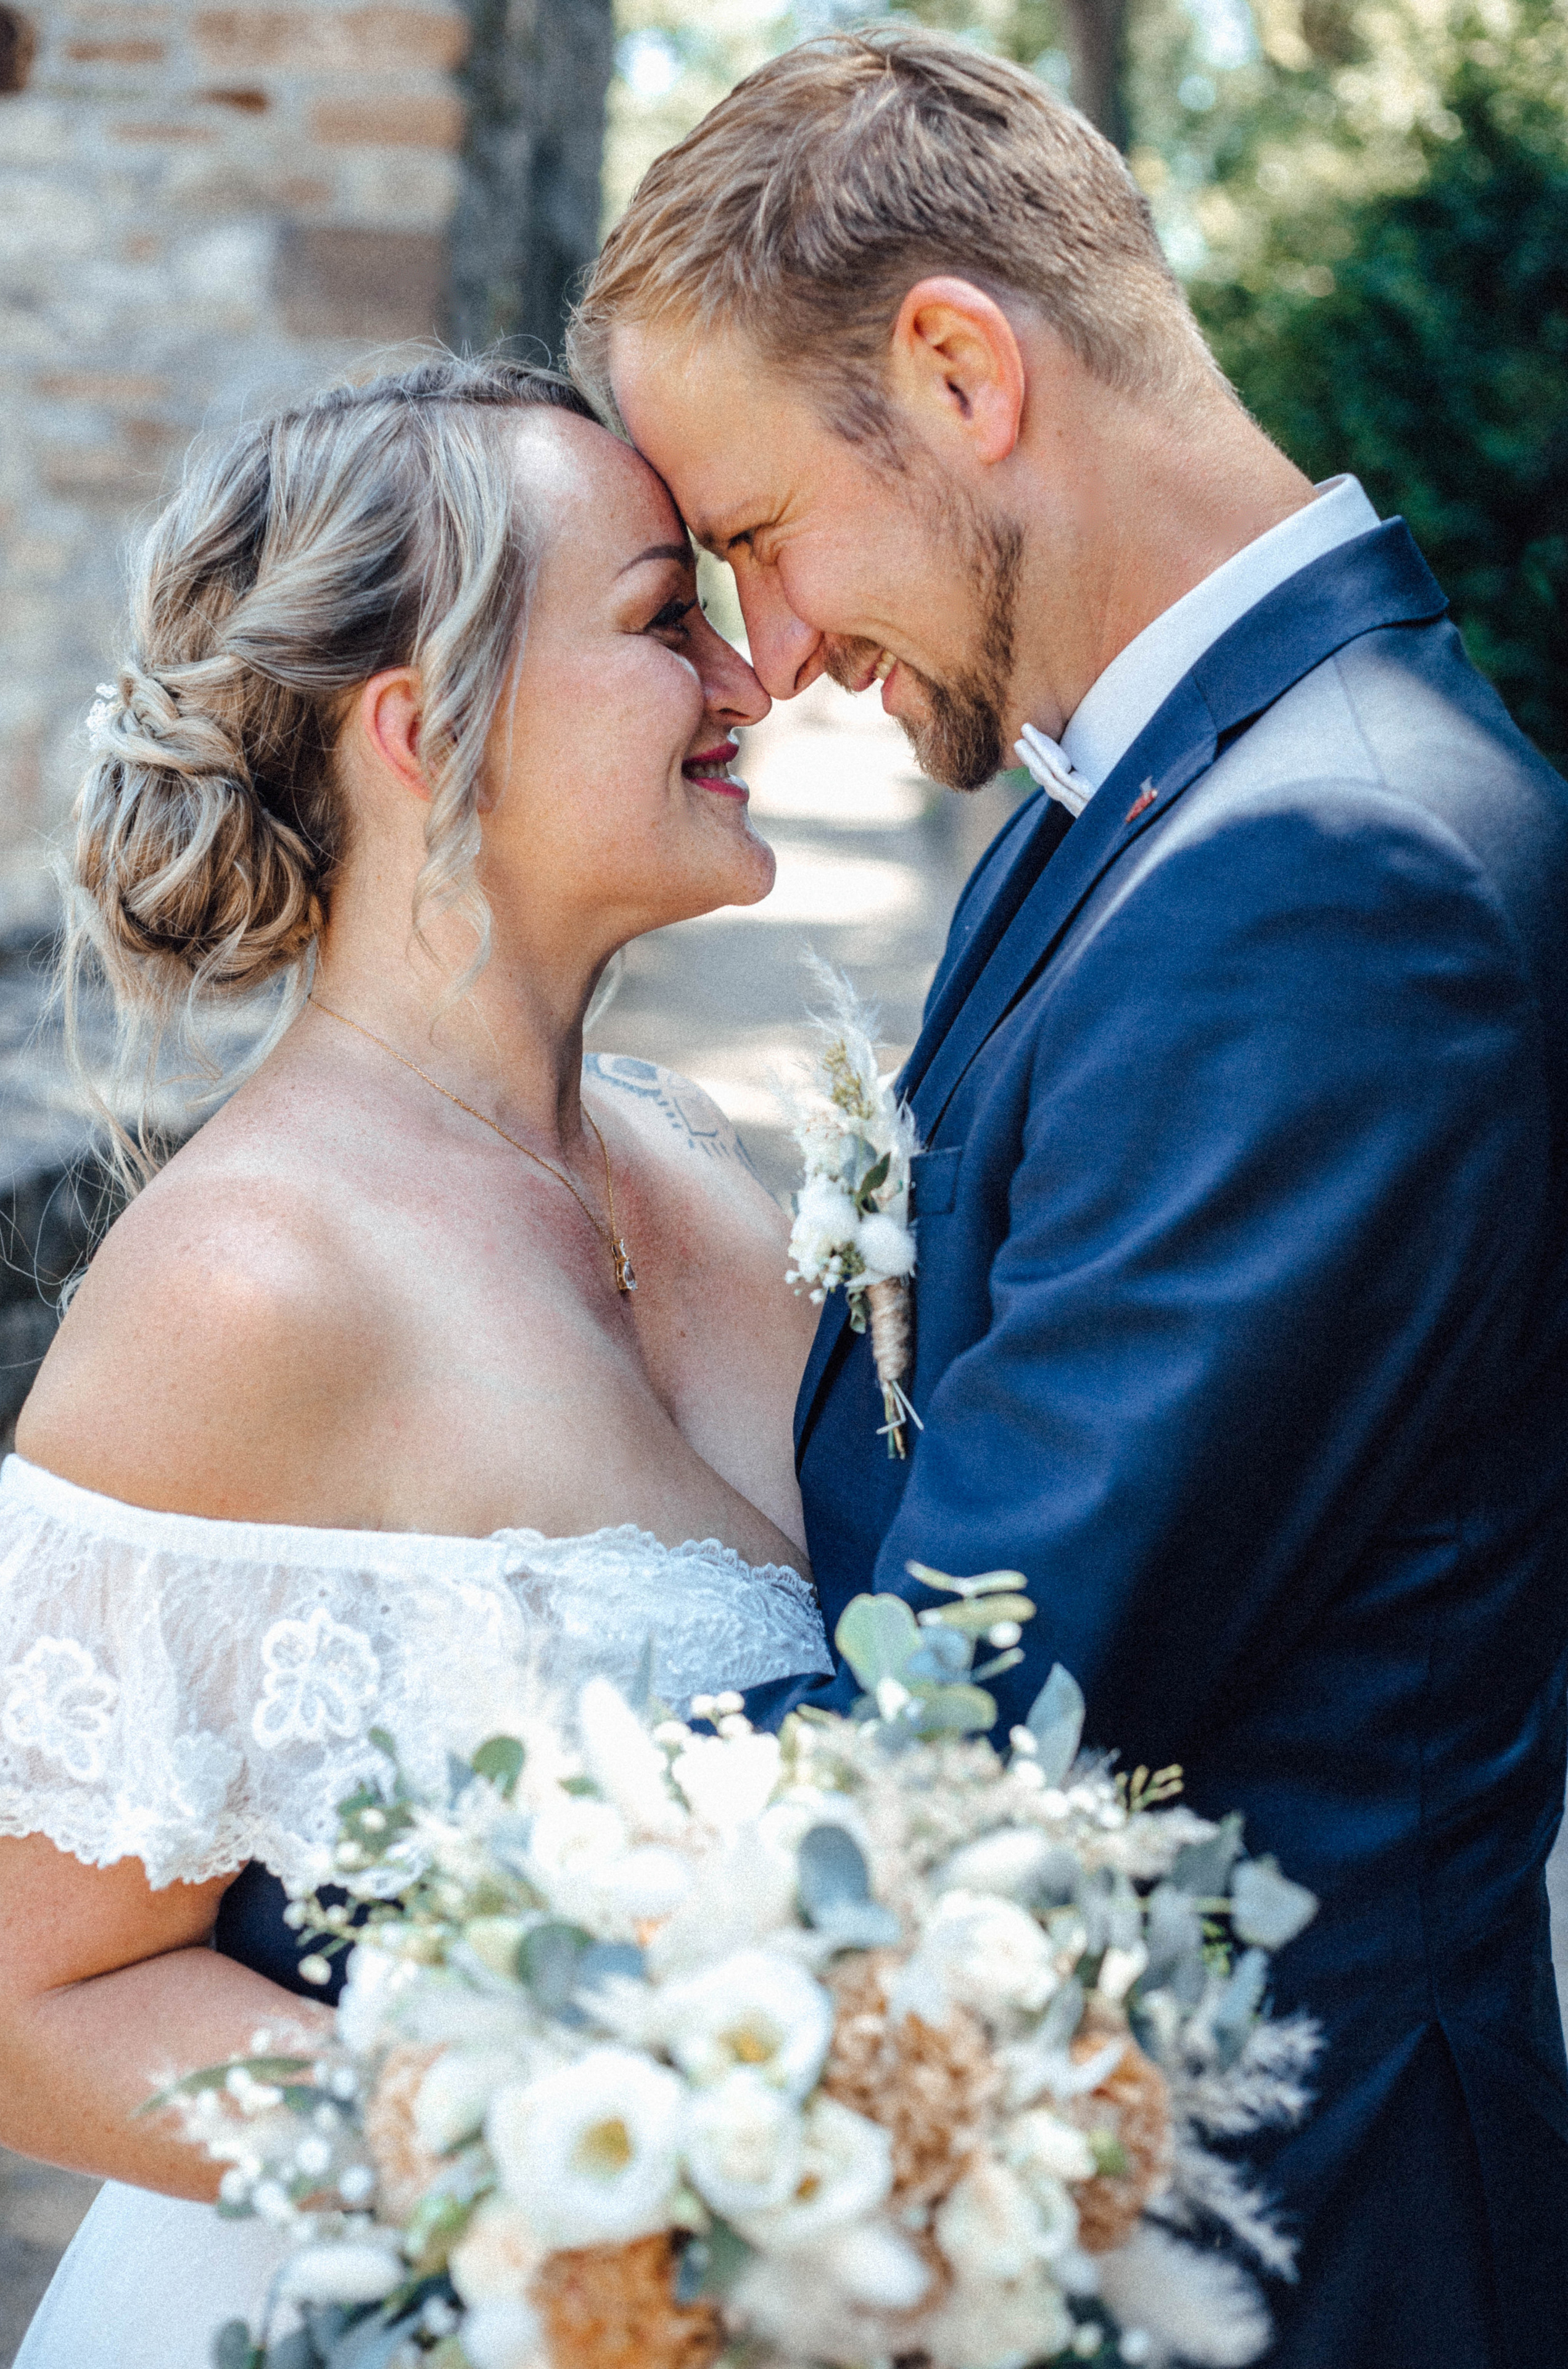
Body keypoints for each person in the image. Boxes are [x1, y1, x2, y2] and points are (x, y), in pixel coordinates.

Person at [569, 27, 1568, 2365]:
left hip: (1299, 2241)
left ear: (956, 368)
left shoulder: (1334, 875)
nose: (772, 653)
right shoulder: (1134, 809)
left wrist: (394, 1875)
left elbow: (991, 1687)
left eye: (757, 536)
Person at [0, 354, 830, 2367]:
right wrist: (613, 2162)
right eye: (658, 620)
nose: (747, 679)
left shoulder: (689, 1162)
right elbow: (33, 2008)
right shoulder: (251, 1283)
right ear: (419, 730)